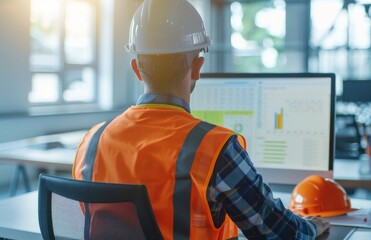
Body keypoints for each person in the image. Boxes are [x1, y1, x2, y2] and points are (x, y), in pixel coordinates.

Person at [73, 0, 330, 239]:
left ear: (136, 69)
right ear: (198, 67)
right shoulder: (215, 148)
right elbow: (275, 231)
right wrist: (310, 228)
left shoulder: (92, 142)